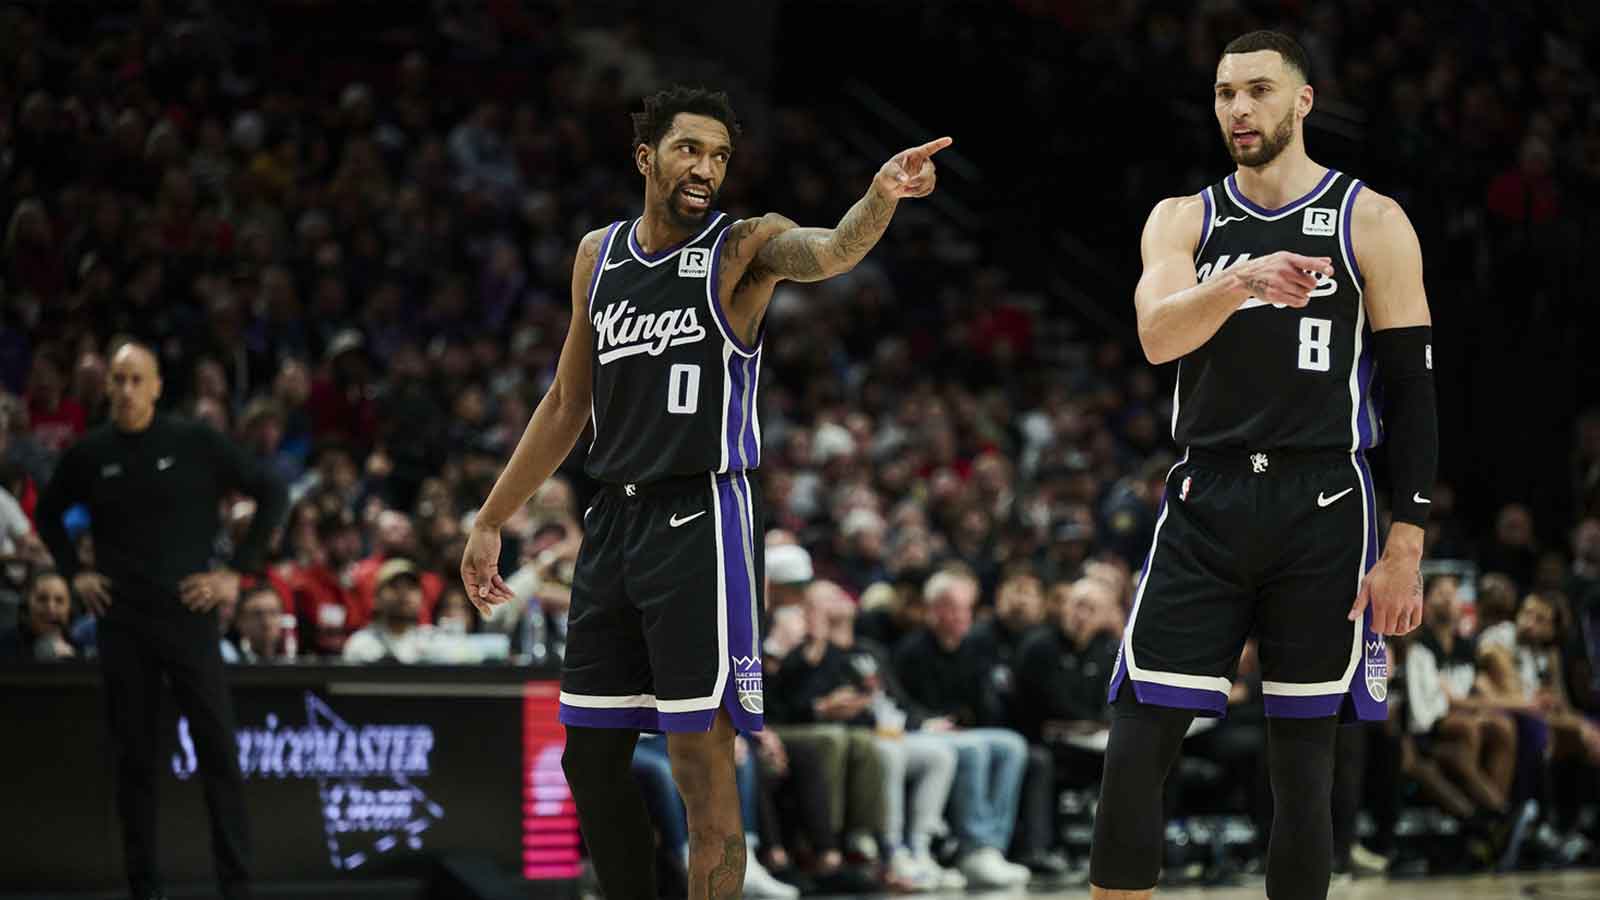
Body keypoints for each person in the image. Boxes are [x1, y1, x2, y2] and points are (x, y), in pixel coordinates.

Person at [459, 85, 947, 900]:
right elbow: (564, 404)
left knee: (700, 765)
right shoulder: (598, 255)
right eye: (690, 150)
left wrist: (879, 196)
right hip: (611, 519)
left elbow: (828, 252)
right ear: (647, 156)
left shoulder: (741, 246)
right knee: (589, 757)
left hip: (700, 518)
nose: (706, 169)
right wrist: (490, 518)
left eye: (720, 156)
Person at [1091, 31, 1436, 900]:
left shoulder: (1373, 219)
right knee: (1136, 748)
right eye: (1224, 94)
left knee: (1303, 769)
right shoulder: (1183, 217)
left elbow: (1414, 394)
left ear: (1303, 100)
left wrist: (1407, 545)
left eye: (1257, 91)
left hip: (1324, 499)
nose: (1239, 109)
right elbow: (1157, 336)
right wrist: (1240, 282)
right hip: (1206, 495)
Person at [35, 341, 288, 900]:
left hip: (189, 616)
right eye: (117, 380)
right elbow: (47, 512)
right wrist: (73, 571)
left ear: (156, 388)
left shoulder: (194, 441)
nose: (124, 389)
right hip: (121, 619)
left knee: (219, 752)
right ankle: (144, 889)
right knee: (135, 763)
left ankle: (237, 887)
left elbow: (273, 490)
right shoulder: (90, 452)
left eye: (135, 379)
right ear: (108, 390)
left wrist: (236, 574)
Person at [0, 568, 78, 661]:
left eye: (59, 600)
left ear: (69, 608)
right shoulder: (4, 645)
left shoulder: (78, 647)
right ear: (27, 604)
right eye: (42, 599)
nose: (51, 608)